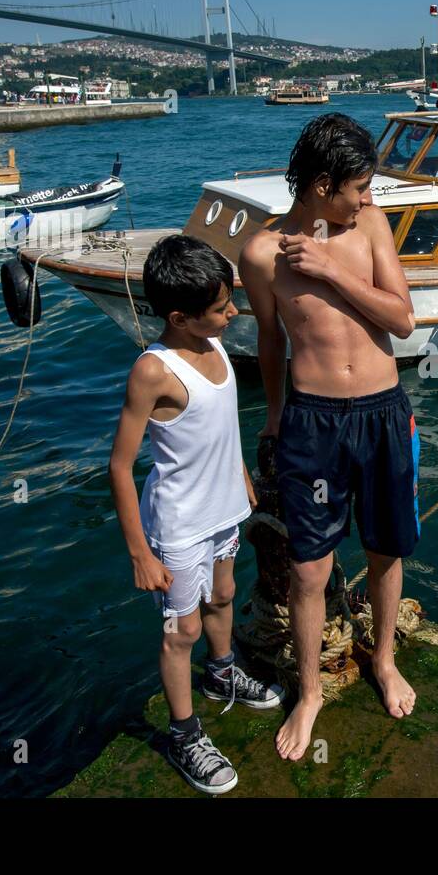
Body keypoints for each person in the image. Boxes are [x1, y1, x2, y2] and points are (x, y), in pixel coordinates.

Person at [238, 113, 419, 762]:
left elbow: (402, 318)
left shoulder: (370, 227)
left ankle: (386, 660)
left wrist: (330, 269)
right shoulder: (260, 252)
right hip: (312, 422)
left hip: (382, 413)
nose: (369, 199)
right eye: (359, 188)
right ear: (320, 186)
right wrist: (274, 416)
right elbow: (269, 339)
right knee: (310, 569)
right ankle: (310, 692)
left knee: (385, 551)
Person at [109, 234, 284, 795]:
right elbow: (119, 466)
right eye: (221, 308)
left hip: (224, 509)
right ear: (180, 317)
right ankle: (185, 733)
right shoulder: (154, 371)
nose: (234, 312)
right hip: (180, 524)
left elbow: (222, 420)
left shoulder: (215, 347)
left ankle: (223, 670)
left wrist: (238, 470)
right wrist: (140, 553)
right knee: (180, 629)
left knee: (224, 597)